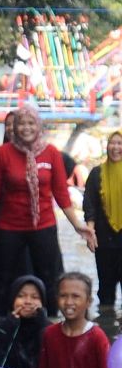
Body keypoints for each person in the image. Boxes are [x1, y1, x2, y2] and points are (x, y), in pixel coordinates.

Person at [0, 104, 92, 317]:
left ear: (39, 126)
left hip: (43, 225)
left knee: (49, 276)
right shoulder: (2, 154)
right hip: (9, 226)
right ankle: (1, 321)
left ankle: (51, 320)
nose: (26, 128)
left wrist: (79, 226)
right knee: (4, 277)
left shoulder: (51, 153)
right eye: (22, 124)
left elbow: (62, 195)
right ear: (15, 127)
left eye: (31, 123)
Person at [37, 272, 113, 368]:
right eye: (63, 296)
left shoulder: (96, 336)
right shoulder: (50, 334)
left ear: (88, 301)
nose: (69, 302)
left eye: (76, 296)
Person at [81, 131, 122, 312]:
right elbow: (89, 204)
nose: (116, 148)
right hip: (104, 240)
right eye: (112, 143)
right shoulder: (97, 173)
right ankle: (106, 327)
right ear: (107, 146)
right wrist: (90, 232)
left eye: (120, 143)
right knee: (105, 288)